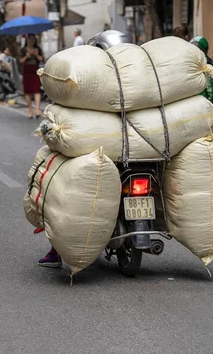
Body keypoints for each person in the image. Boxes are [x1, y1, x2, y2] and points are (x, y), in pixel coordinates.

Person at [36, 30, 128, 268]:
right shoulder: (133, 77)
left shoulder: (90, 79)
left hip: (95, 152)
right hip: (134, 153)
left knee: (59, 184)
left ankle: (56, 249)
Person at [19, 34, 44, 119]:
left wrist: (36, 55)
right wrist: (27, 55)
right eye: (30, 39)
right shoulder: (23, 50)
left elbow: (42, 59)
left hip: (35, 70)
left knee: (37, 89)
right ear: (27, 40)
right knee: (28, 91)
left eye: (33, 39)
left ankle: (37, 109)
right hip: (26, 70)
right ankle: (30, 110)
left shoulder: (38, 49)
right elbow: (20, 61)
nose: (31, 40)